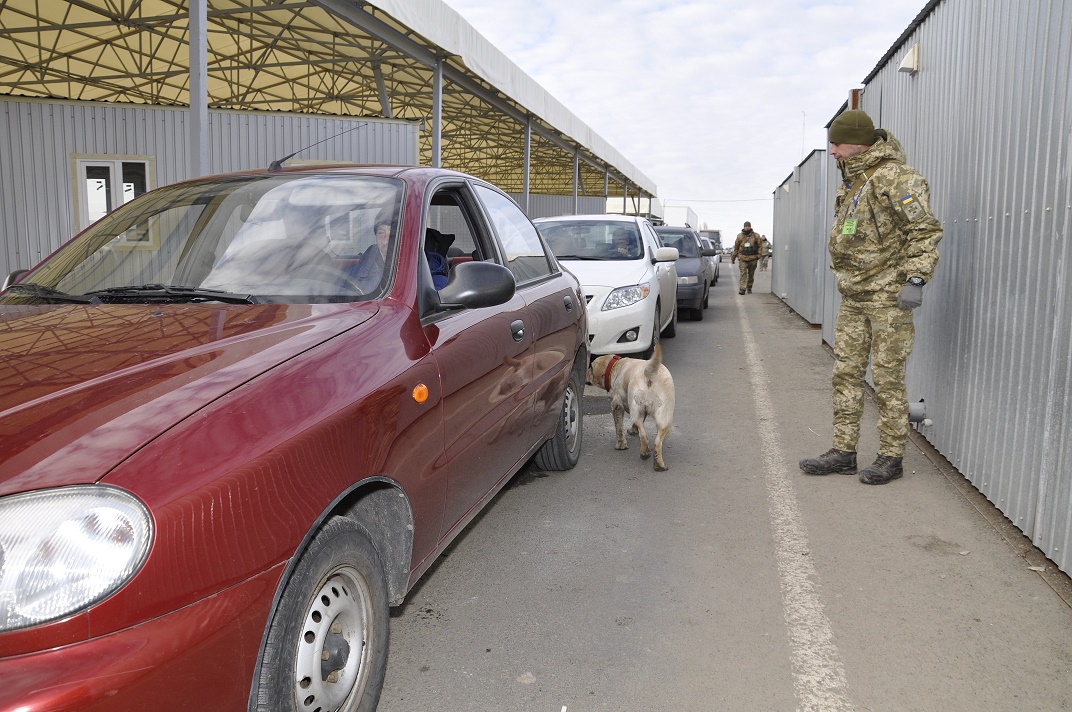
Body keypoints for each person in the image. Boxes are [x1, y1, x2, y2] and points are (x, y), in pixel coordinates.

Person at [799, 109, 942, 485]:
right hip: (855, 295)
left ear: (857, 143)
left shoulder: (896, 177)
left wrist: (916, 278)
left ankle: (890, 457)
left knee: (887, 378)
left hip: (887, 298)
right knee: (845, 373)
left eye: (836, 144)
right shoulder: (853, 179)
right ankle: (844, 451)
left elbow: (923, 231)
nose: (831, 152)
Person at [350, 218, 392, 292]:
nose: (385, 241)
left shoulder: (412, 273)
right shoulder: (367, 261)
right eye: (381, 233)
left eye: (392, 234)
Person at [730, 221, 760, 294]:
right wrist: (733, 257)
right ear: (744, 227)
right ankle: (742, 288)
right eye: (746, 226)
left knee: (751, 274)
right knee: (743, 273)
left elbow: (760, 247)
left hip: (753, 258)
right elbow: (736, 247)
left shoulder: (756, 236)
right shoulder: (740, 236)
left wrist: (758, 256)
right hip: (742, 258)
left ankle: (749, 287)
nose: (747, 227)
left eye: (748, 226)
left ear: (750, 226)